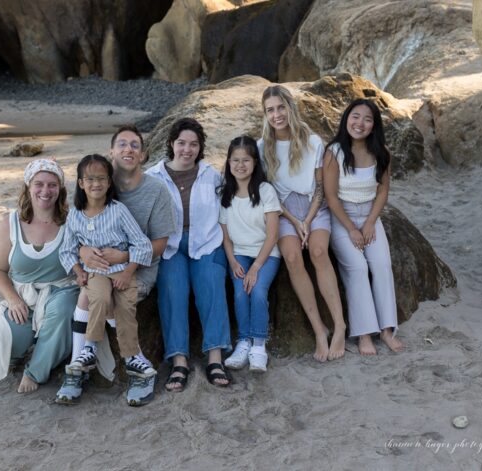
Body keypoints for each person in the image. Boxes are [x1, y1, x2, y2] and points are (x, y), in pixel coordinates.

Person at [56, 125, 176, 403]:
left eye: (134, 145)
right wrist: (82, 255)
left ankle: (133, 365)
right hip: (97, 271)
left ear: (143, 154)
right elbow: (73, 240)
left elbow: (156, 244)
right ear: (112, 151)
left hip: (136, 270)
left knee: (106, 297)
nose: (128, 149)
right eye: (122, 144)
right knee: (93, 291)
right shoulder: (86, 200)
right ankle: (82, 364)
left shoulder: (153, 192)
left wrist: (123, 260)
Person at [259, 85, 346, 362]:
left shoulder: (313, 141)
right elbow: (269, 193)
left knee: (319, 252)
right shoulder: (263, 146)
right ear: (265, 114)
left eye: (281, 107)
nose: (277, 114)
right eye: (270, 110)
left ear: (290, 107)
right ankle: (319, 330)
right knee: (293, 255)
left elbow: (320, 187)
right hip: (284, 211)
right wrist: (294, 221)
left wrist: (307, 220)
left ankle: (340, 325)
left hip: (313, 207)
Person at [0, 159, 80, 394]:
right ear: (28, 187)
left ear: (60, 189)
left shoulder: (72, 220)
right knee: (8, 347)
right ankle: (35, 341)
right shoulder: (11, 222)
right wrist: (13, 299)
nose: (46, 191)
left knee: (64, 310)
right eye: (39, 184)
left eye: (52, 185)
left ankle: (36, 371)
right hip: (24, 295)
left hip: (60, 291)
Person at [147, 118, 231, 390]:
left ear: (200, 147)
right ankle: (179, 360)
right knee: (173, 291)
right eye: (182, 143)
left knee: (211, 285)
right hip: (169, 246)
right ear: (171, 144)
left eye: (194, 144)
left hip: (206, 242)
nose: (187, 149)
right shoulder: (153, 177)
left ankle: (215, 357)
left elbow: (226, 212)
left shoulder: (211, 175)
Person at [323, 98, 404, 355]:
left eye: (367, 119)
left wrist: (369, 223)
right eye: (355, 116)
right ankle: (364, 334)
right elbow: (331, 197)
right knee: (357, 267)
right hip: (341, 218)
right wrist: (352, 229)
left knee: (381, 264)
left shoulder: (382, 153)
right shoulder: (334, 152)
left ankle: (387, 330)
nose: (360, 123)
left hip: (369, 217)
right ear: (347, 118)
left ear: (374, 126)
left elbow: (382, 192)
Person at [218, 136, 282, 372]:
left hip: (267, 254)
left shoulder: (265, 191)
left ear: (255, 162)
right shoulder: (225, 194)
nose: (240, 165)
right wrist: (233, 262)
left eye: (246, 160)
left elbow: (273, 234)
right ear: (228, 162)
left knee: (257, 290)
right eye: (235, 160)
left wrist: (256, 268)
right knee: (239, 292)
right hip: (239, 254)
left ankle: (258, 345)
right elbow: (225, 237)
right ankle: (243, 342)